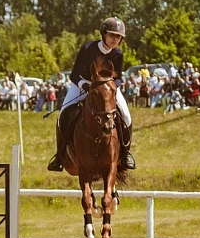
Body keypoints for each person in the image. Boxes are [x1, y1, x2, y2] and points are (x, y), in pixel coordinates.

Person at [47, 17, 136, 172]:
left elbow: (119, 78)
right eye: (112, 35)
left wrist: (112, 87)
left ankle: (126, 153)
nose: (115, 39)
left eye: (118, 36)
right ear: (104, 34)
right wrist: (85, 85)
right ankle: (60, 155)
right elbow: (74, 74)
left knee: (126, 116)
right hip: (81, 86)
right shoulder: (88, 48)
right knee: (63, 114)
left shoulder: (118, 54)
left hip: (107, 90)